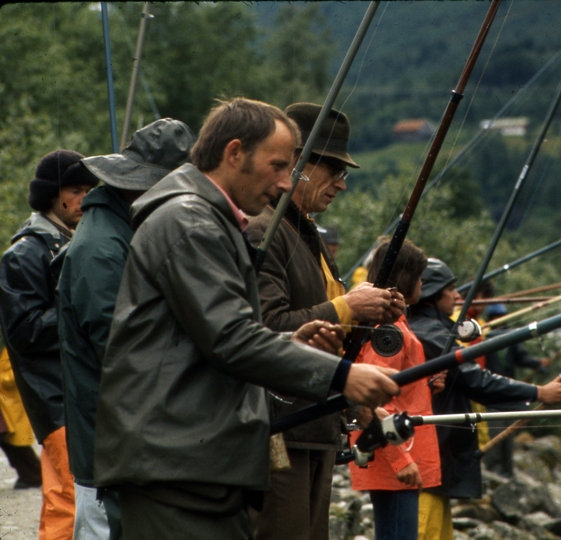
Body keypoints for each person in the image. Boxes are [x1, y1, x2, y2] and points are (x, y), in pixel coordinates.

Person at [92, 97, 399, 540]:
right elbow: (231, 338)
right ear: (234, 153)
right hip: (173, 464)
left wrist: (294, 345)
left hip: (190, 461)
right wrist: (342, 374)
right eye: (278, 166)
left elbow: (215, 336)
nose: (284, 181)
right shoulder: (192, 224)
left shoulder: (209, 221)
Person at [245, 103, 405, 540]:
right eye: (333, 168)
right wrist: (351, 305)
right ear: (297, 163)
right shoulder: (265, 231)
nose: (343, 184)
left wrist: (368, 314)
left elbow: (323, 333)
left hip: (314, 427)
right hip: (282, 432)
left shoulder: (305, 232)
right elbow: (271, 327)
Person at [57, 118, 196, 540]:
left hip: (124, 437)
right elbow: (120, 352)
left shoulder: (120, 232)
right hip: (114, 441)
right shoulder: (103, 249)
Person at [407, 258, 561, 540]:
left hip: (434, 460)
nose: (458, 295)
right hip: (428, 458)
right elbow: (476, 380)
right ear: (433, 293)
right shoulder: (430, 333)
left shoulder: (434, 328)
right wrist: (538, 392)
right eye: (452, 289)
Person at [0, 149, 98, 539]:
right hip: (55, 398)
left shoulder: (72, 241)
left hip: (81, 395)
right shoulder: (24, 254)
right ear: (52, 195)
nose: (85, 198)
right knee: (67, 501)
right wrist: (81, 311)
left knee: (85, 500)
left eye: (90, 189)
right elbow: (24, 331)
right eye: (76, 189)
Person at [348, 238, 443, 540]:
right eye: (419, 276)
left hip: (402, 451)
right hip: (398, 457)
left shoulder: (395, 324)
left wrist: (426, 384)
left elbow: (395, 386)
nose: (422, 283)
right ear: (407, 279)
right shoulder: (388, 331)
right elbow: (373, 401)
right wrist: (401, 460)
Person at [482, 303, 552, 478]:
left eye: (501, 317)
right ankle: (493, 470)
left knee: (509, 431)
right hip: (491, 392)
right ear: (490, 319)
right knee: (495, 431)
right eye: (495, 317)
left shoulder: (510, 337)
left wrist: (537, 363)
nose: (499, 321)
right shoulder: (483, 336)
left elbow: (521, 357)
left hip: (509, 391)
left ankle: (508, 470)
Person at [0, 346, 42, 490]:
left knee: (17, 445)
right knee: (12, 445)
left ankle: (33, 475)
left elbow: (12, 377)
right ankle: (32, 475)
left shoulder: (8, 349)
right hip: (5, 408)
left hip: (9, 405)